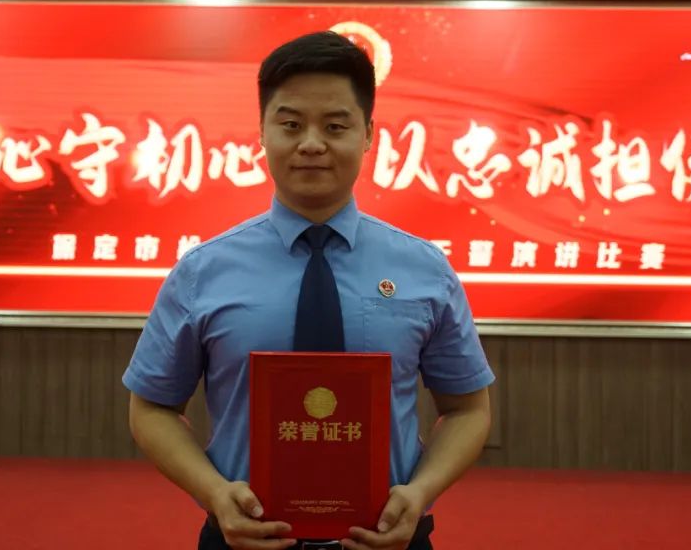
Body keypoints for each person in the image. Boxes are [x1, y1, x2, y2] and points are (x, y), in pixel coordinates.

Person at [124, 30, 495, 550]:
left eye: (336, 126)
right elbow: (151, 408)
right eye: (292, 124)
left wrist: (421, 491)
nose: (312, 144)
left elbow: (468, 409)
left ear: (368, 134)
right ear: (262, 132)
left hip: (389, 540)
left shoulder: (424, 269)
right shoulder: (202, 272)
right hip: (242, 539)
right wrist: (213, 492)